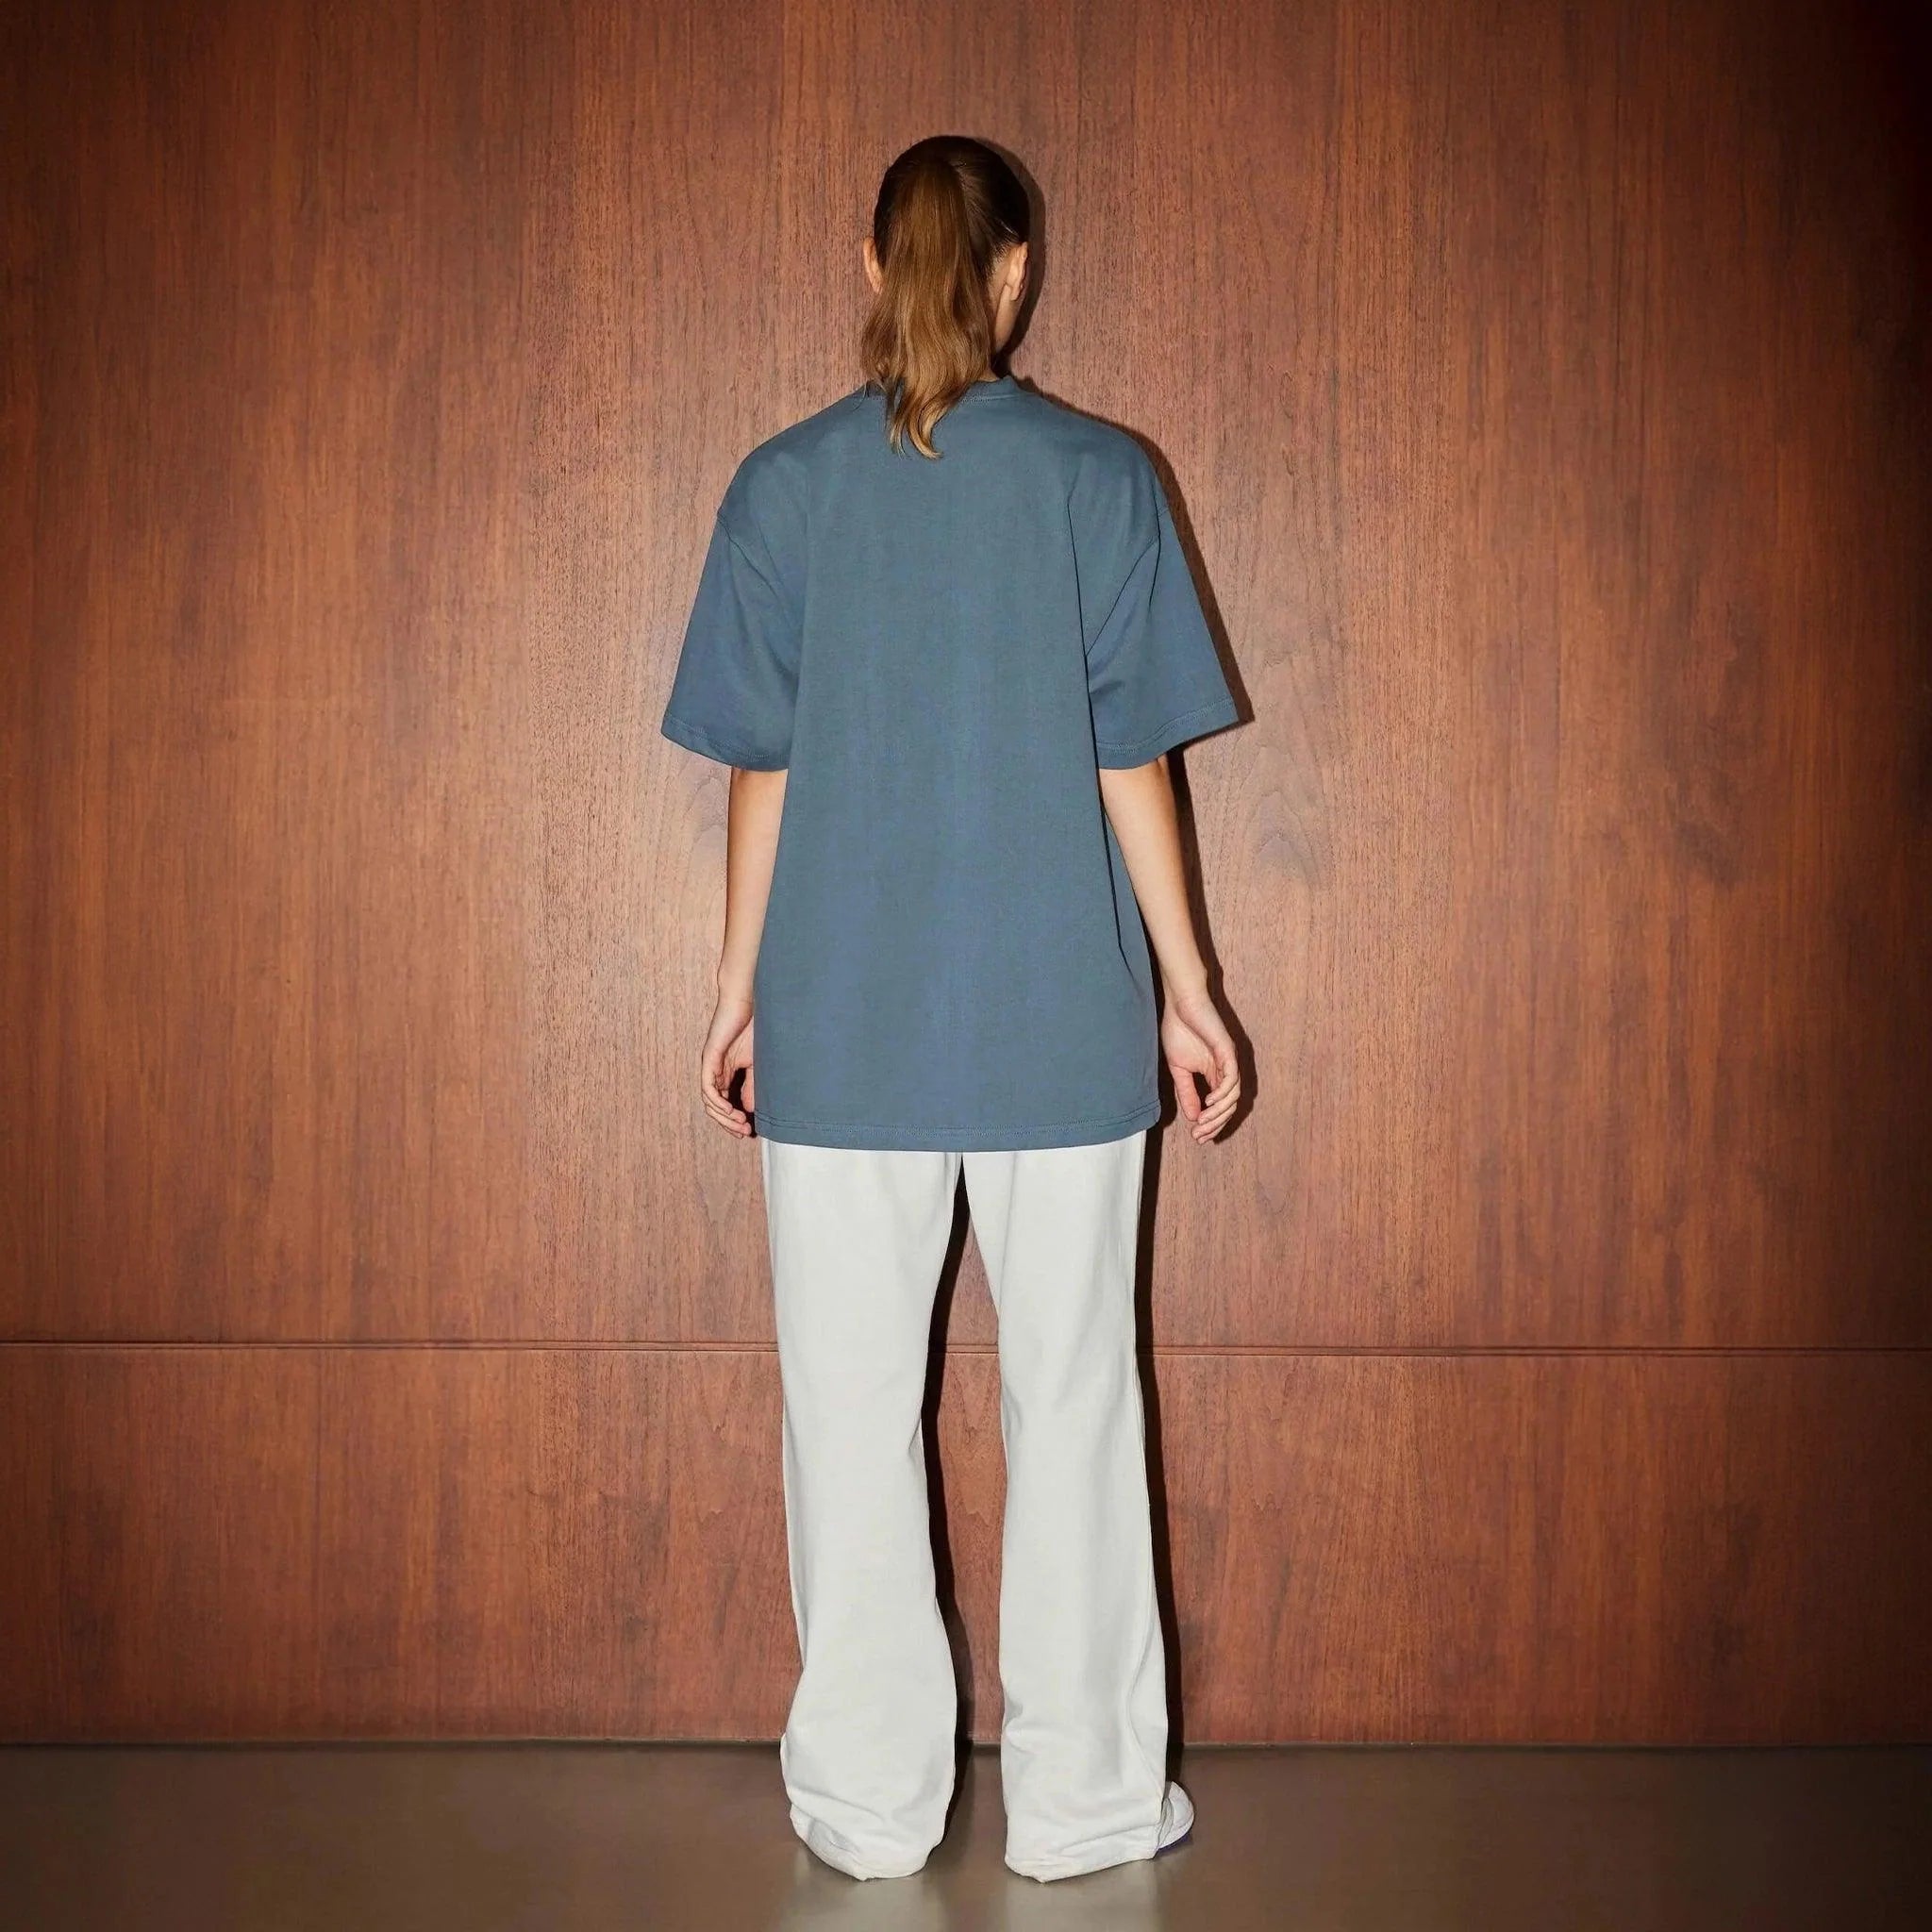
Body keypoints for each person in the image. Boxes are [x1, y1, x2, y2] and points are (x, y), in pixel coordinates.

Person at [659, 133, 1245, 1885]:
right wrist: (1191, 989)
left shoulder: (782, 486)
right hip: (1063, 1023)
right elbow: (1130, 756)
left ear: (872, 263)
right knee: (1077, 1409)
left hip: (843, 1026)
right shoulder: (1100, 475)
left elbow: (761, 770)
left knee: (846, 1420)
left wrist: (738, 992)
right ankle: (1086, 1810)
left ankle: (868, 1808)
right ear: (1014, 274)